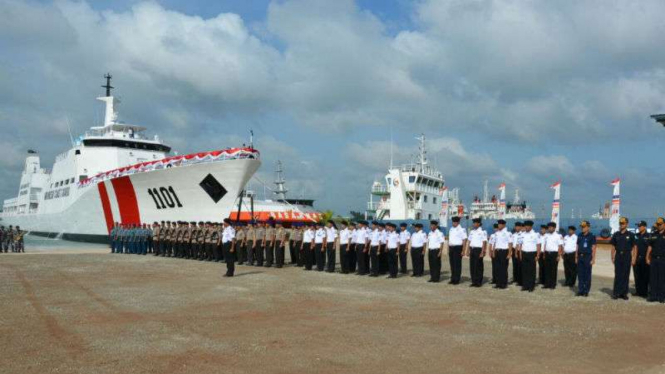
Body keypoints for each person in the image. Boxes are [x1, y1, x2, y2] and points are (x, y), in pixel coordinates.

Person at [610, 217, 636, 300]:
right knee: (618, 275)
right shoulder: (616, 234)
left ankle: (624, 293)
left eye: (623, 223)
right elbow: (613, 246)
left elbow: (634, 247)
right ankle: (616, 292)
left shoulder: (631, 235)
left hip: (627, 256)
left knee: (625, 274)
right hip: (618, 256)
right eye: (620, 223)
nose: (621, 225)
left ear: (627, 224)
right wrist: (612, 256)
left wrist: (634, 258)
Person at [576, 221, 596, 297]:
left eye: (584, 227)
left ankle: (586, 290)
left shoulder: (592, 236)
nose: (582, 228)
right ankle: (580, 290)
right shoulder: (580, 235)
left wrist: (593, 259)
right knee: (580, 274)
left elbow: (594, 248)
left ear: (588, 227)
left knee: (587, 274)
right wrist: (576, 257)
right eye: (582, 227)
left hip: (587, 257)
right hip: (580, 256)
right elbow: (577, 246)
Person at [647, 217, 665, 303]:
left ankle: (661, 297)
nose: (658, 226)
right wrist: (647, 257)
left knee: (662, 278)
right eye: (657, 224)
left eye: (660, 224)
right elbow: (650, 246)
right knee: (653, 278)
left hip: (663, 259)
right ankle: (653, 296)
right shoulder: (654, 234)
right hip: (654, 259)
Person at [519, 221, 540, 292]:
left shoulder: (535, 234)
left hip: (532, 254)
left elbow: (538, 245)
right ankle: (525, 285)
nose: (526, 227)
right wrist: (521, 254)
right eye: (525, 226)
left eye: (528, 226)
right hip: (524, 253)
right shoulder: (522, 234)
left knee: (531, 271)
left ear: (531, 226)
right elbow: (521, 244)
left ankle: (531, 286)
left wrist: (537, 255)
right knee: (524, 270)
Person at [467, 219, 488, 287]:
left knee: (478, 266)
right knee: (472, 266)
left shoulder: (482, 232)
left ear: (479, 224)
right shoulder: (472, 231)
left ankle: (478, 281)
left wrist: (483, 251)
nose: (474, 224)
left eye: (475, 223)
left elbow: (484, 242)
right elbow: (469, 241)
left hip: (478, 250)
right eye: (473, 223)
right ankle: (473, 281)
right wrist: (467, 250)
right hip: (472, 249)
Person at [542, 222, 563, 289]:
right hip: (547, 253)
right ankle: (547, 284)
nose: (549, 228)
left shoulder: (558, 236)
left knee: (553, 269)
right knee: (547, 269)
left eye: (551, 227)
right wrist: (544, 254)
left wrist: (558, 255)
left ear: (554, 228)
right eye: (549, 227)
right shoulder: (546, 235)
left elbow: (560, 246)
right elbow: (545, 245)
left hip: (554, 254)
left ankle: (553, 284)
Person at [633, 221, 650, 298]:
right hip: (637, 258)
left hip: (645, 258)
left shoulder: (649, 236)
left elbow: (651, 248)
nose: (639, 227)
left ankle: (645, 292)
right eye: (638, 226)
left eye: (640, 226)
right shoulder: (636, 236)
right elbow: (633, 247)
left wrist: (648, 258)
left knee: (645, 276)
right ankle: (638, 291)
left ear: (645, 227)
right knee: (637, 275)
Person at [448, 217, 467, 285]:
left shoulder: (462, 229)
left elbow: (464, 240)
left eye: (455, 222)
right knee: (452, 264)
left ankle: (457, 279)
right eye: (453, 222)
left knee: (457, 264)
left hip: (458, 248)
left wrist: (463, 250)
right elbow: (450, 239)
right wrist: (448, 248)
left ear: (458, 222)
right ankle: (452, 278)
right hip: (451, 248)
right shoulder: (451, 229)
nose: (453, 223)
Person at [493, 220, 511, 289]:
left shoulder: (507, 233)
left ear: (504, 225)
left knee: (503, 268)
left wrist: (509, 253)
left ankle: (503, 284)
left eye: (500, 224)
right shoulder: (497, 233)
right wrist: (494, 252)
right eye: (498, 224)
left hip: (504, 252)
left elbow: (510, 244)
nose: (499, 225)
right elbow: (495, 243)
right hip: (497, 251)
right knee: (497, 268)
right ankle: (498, 283)